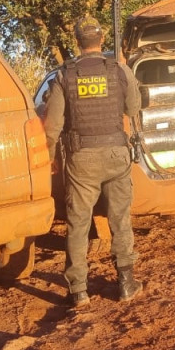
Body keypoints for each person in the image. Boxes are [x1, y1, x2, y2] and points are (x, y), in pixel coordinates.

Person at [43, 16, 143, 307]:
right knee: (120, 219)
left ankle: (78, 291)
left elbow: (53, 128)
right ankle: (125, 282)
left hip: (81, 158)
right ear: (102, 40)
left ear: (77, 41)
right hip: (115, 153)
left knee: (77, 223)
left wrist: (49, 158)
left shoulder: (64, 76)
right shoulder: (119, 70)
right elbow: (133, 108)